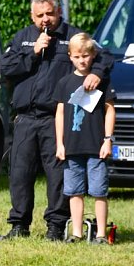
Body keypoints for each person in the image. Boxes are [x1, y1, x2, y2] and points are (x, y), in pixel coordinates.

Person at [0, 0, 114, 241]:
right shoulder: (23, 38)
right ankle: (19, 225)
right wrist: (32, 52)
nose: (45, 20)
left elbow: (104, 56)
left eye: (50, 13)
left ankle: (56, 226)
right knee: (20, 174)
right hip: (25, 118)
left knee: (57, 175)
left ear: (58, 12)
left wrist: (97, 73)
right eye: (40, 15)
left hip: (55, 118)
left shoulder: (73, 37)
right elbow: (4, 66)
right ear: (32, 16)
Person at [53, 33, 116, 243]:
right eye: (77, 57)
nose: (82, 61)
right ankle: (77, 233)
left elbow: (110, 110)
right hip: (72, 147)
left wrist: (108, 139)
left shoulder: (101, 81)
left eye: (86, 56)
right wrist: (60, 144)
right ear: (70, 56)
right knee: (74, 191)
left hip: (96, 146)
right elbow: (60, 113)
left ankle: (101, 234)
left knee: (99, 191)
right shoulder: (64, 83)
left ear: (93, 55)